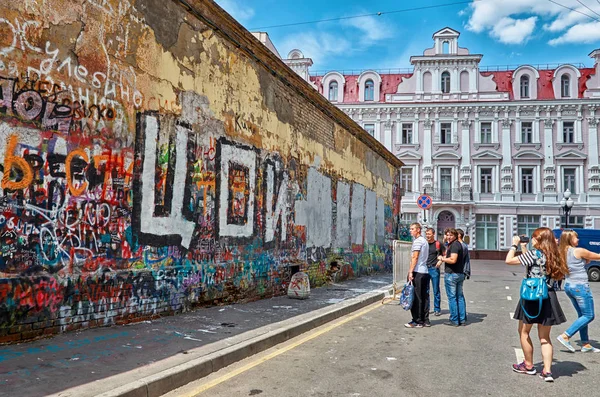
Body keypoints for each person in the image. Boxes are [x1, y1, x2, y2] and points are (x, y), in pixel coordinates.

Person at [505, 227, 568, 382]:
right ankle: (547, 371)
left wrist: (514, 245)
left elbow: (509, 260)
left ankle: (528, 365)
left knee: (524, 332)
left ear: (539, 240)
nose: (532, 240)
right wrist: (524, 246)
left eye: (534, 237)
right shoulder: (556, 255)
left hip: (532, 296)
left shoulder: (534, 254)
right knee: (545, 337)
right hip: (549, 296)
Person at [556, 230, 600, 353]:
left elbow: (577, 264)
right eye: (576, 237)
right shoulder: (578, 251)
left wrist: (585, 261)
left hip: (569, 286)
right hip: (580, 287)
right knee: (589, 315)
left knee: (582, 315)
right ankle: (566, 335)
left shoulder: (562, 252)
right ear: (570, 239)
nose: (578, 239)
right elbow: (597, 256)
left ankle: (585, 344)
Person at [437, 228, 466, 327]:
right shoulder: (457, 244)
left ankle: (454, 319)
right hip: (459, 273)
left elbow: (453, 260)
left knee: (452, 298)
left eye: (451, 235)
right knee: (459, 297)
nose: (448, 237)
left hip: (452, 274)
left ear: (456, 236)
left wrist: (442, 259)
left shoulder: (454, 245)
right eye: (447, 235)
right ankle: (461, 319)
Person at [404, 222, 430, 328]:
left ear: (418, 230)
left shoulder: (418, 242)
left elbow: (415, 257)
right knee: (423, 297)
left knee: (416, 297)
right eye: (410, 229)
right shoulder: (424, 241)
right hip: (424, 271)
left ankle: (417, 320)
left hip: (418, 271)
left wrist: (410, 271)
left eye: (412, 229)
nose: (411, 231)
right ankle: (424, 319)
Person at [424, 228, 444, 321]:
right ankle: (426, 308)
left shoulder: (438, 244)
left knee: (436, 290)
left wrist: (440, 261)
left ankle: (437, 309)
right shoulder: (424, 244)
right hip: (424, 269)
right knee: (426, 290)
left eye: (429, 234)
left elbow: (444, 254)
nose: (427, 236)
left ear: (433, 234)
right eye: (426, 234)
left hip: (434, 269)